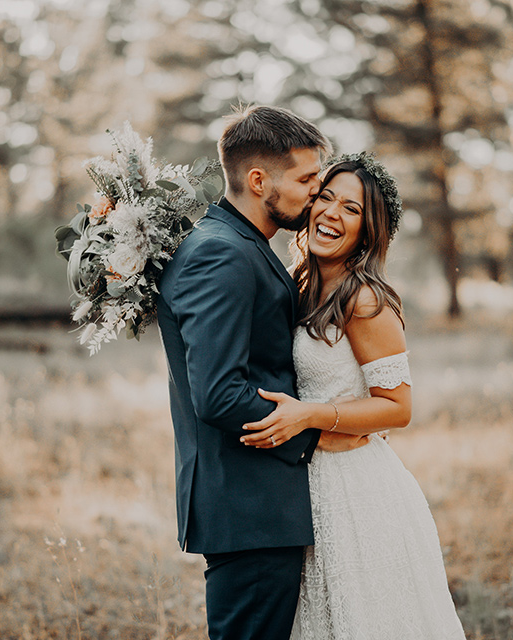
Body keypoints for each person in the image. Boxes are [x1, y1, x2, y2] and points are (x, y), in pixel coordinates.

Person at [155, 105, 366, 640]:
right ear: (257, 180)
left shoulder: (239, 242)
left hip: (259, 506)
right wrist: (315, 432)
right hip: (249, 508)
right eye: (305, 179)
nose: (316, 193)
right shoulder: (222, 254)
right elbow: (220, 394)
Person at [240, 154, 467, 639]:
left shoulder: (364, 300)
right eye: (325, 197)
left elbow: (398, 407)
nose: (331, 214)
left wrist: (312, 417)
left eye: (352, 209)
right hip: (306, 485)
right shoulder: (299, 284)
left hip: (357, 492)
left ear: (368, 231)